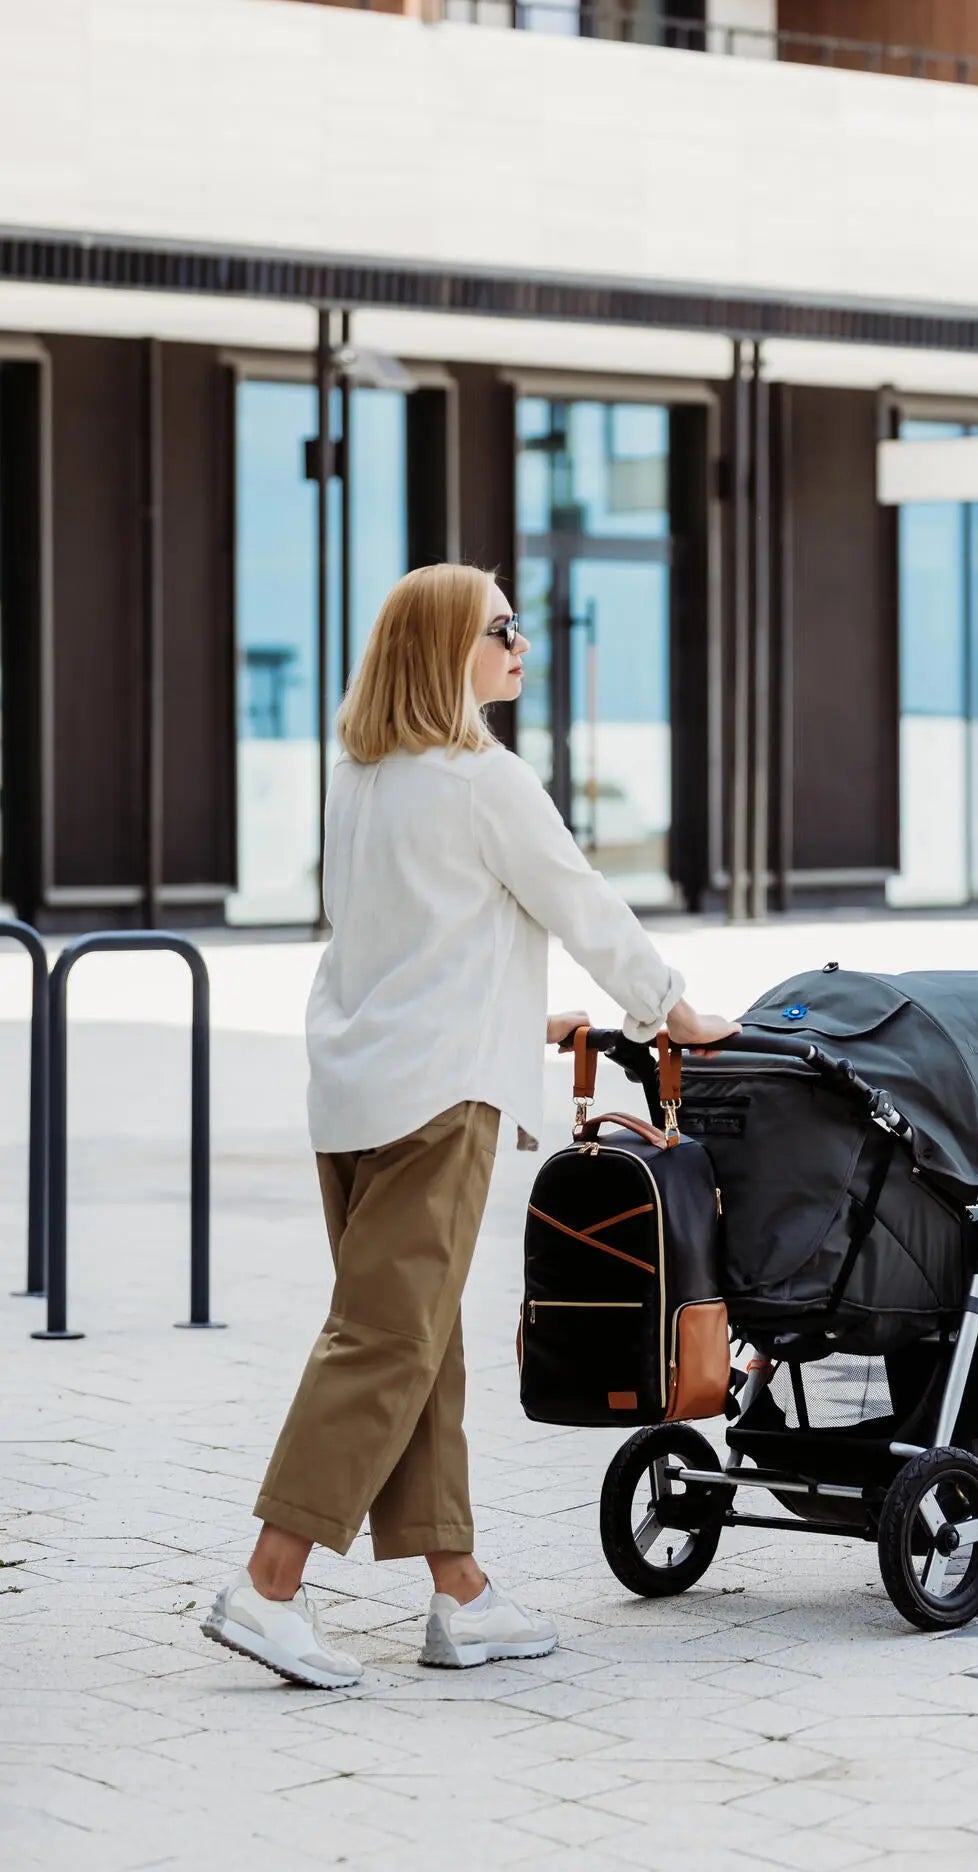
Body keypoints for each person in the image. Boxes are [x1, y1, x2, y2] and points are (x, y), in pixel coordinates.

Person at [204, 563, 736, 1687]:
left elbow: (396, 931)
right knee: (388, 1341)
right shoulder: (484, 777)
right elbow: (581, 899)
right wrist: (672, 1008)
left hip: (352, 1091)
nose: (520, 642)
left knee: (421, 1340)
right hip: (437, 1102)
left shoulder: (360, 774)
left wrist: (513, 1004)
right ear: (448, 647)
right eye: (500, 627)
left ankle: (461, 1590)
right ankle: (267, 1582)